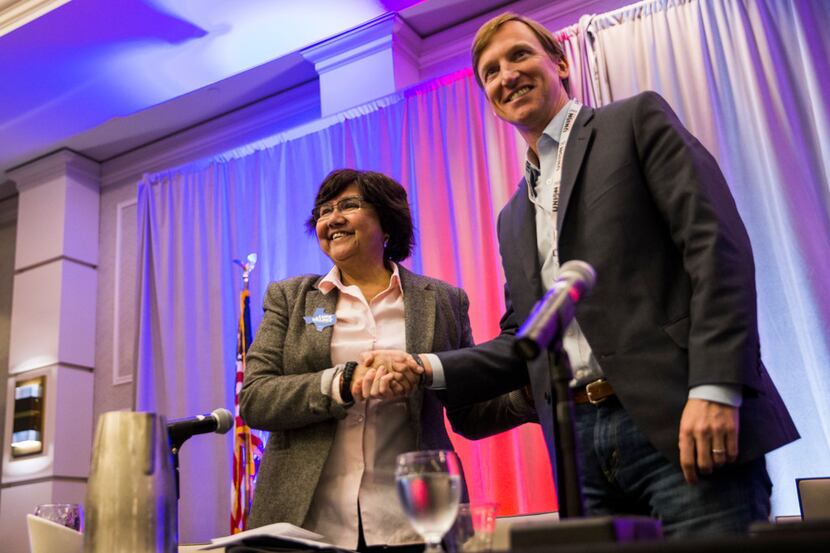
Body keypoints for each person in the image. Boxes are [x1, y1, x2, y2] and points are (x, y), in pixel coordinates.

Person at [359, 13, 799, 537]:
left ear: (560, 62)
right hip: (580, 451)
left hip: (681, 419)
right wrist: (422, 366)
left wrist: (715, 387)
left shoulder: (634, 122)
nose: (506, 75)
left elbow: (716, 249)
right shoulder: (512, 217)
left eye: (519, 55)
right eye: (490, 72)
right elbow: (523, 341)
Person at [239, 168, 535, 550]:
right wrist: (344, 382)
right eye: (324, 211)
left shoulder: (443, 301)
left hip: (413, 523)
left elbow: (470, 413)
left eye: (349, 205)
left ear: (387, 222)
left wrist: (530, 394)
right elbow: (256, 399)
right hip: (308, 526)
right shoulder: (289, 299)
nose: (332, 219)